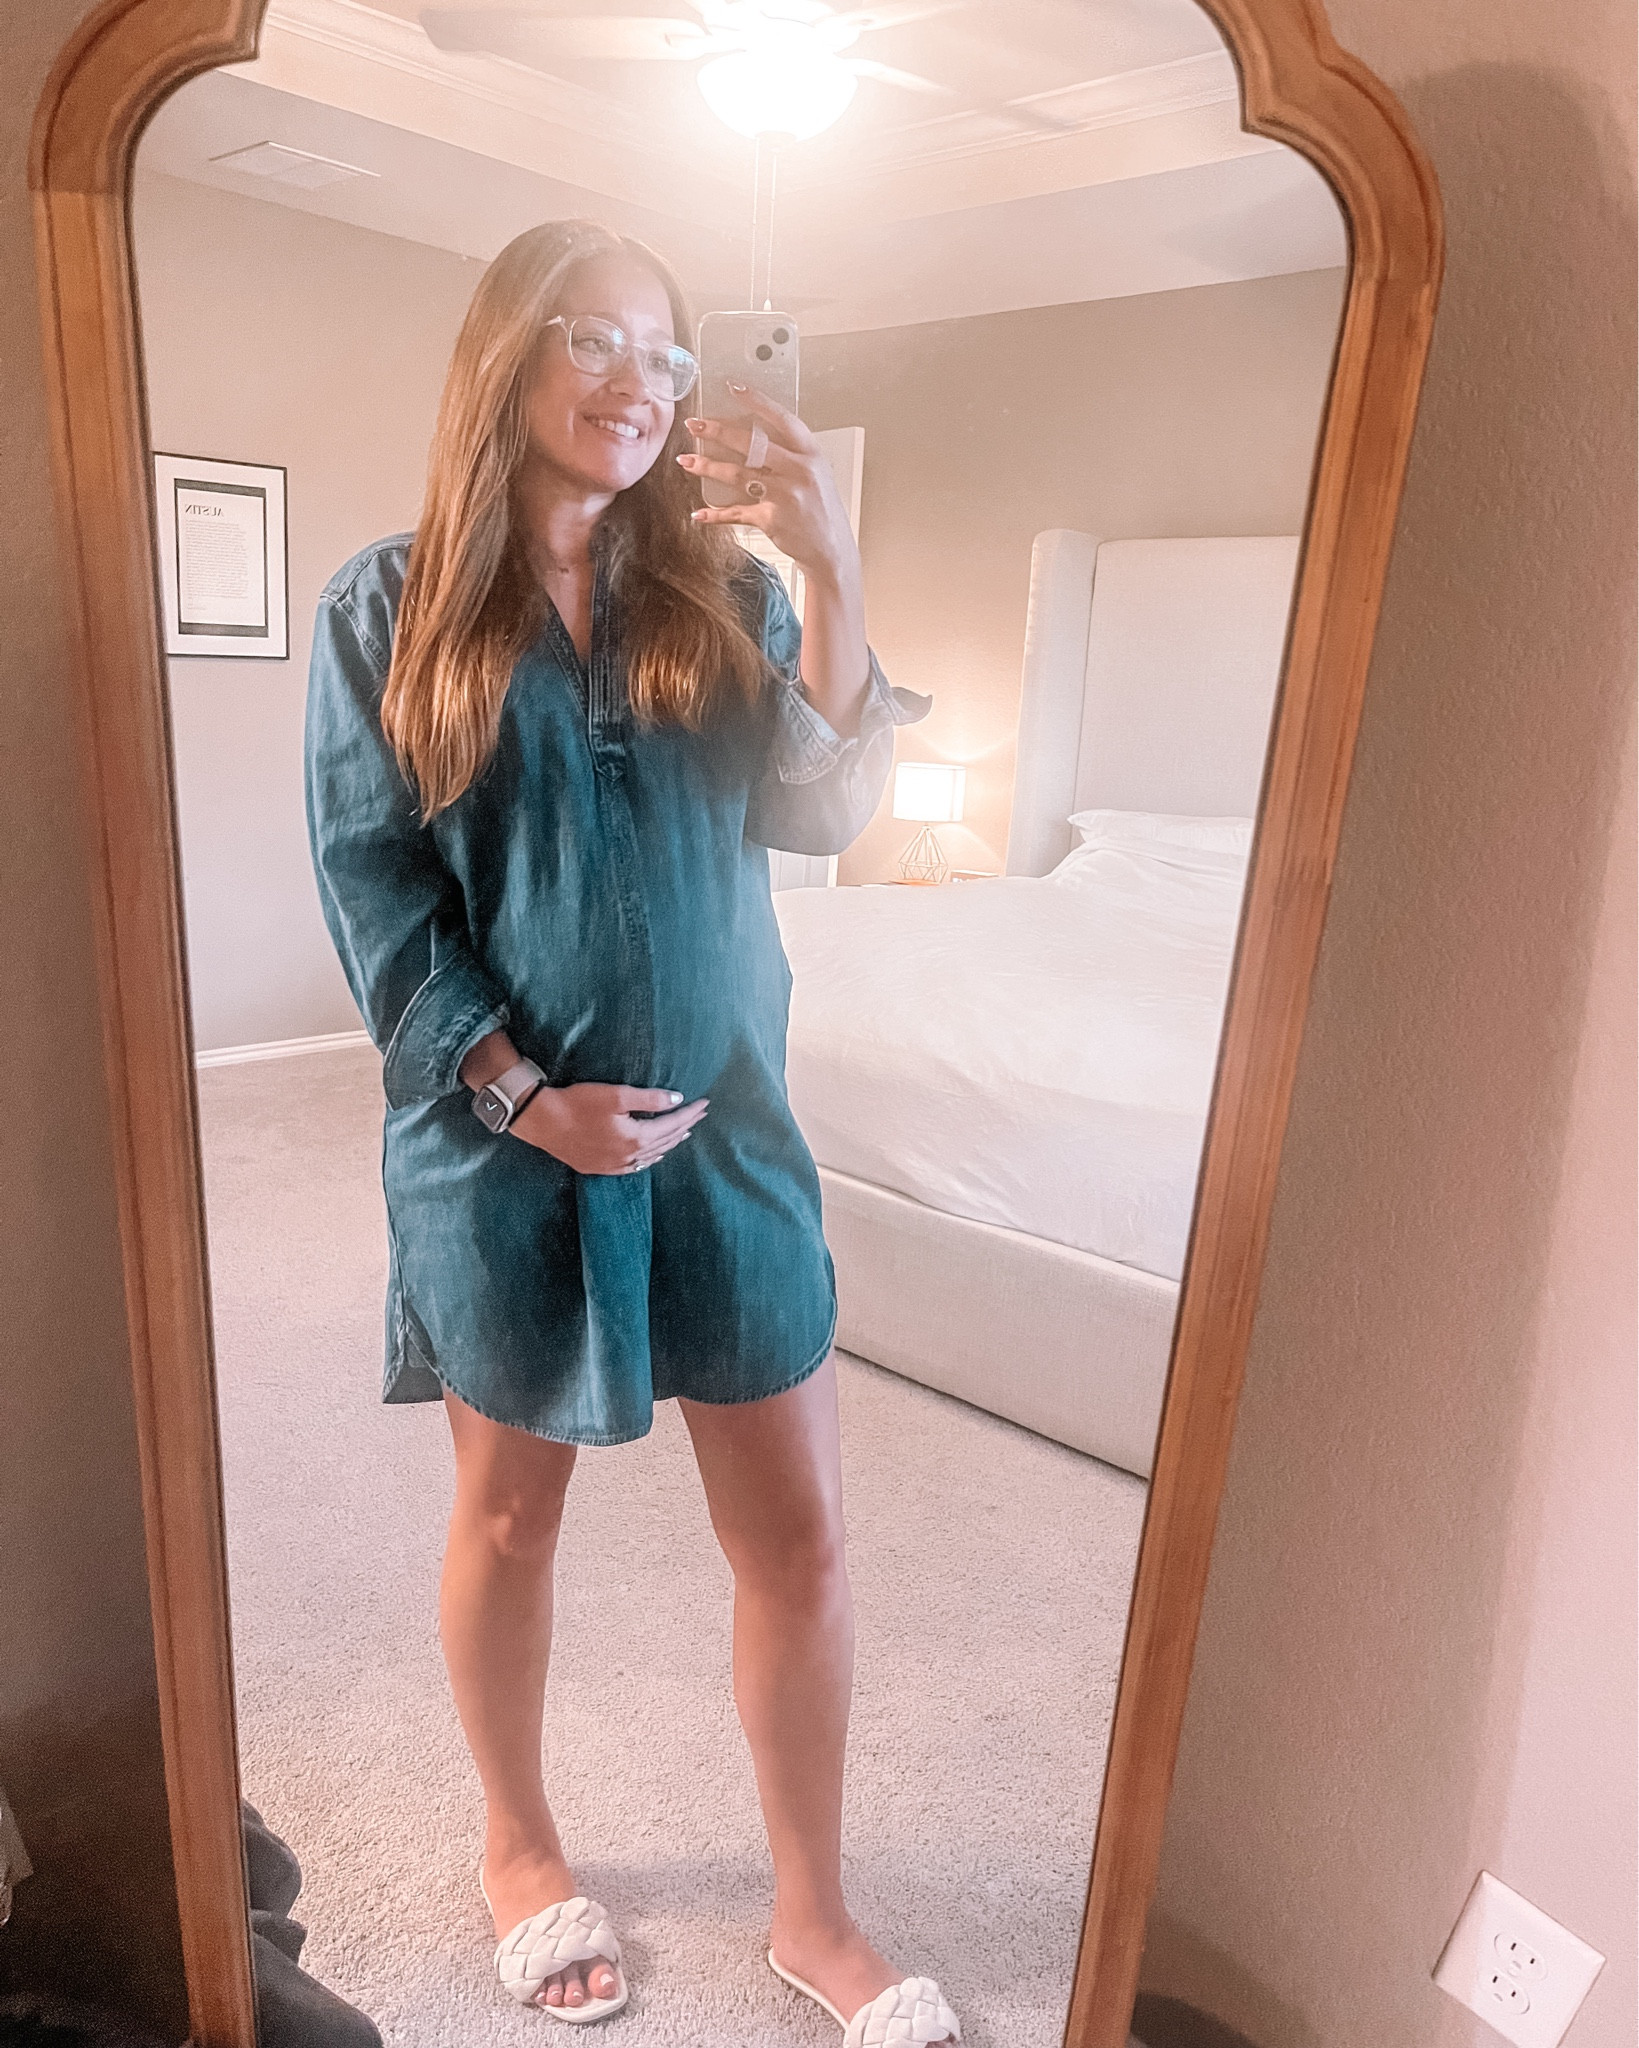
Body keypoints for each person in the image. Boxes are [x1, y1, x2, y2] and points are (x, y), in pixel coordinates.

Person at [304, 219, 960, 2046]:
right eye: (595, 339)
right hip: (498, 1155)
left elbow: (825, 811)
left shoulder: (727, 597)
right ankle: (518, 1848)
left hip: (729, 1145)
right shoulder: (385, 608)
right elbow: (378, 899)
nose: (641, 383)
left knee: (802, 1542)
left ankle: (814, 1912)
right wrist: (524, 1097)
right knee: (510, 1520)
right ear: (508, 355)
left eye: (666, 355)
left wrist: (831, 563)